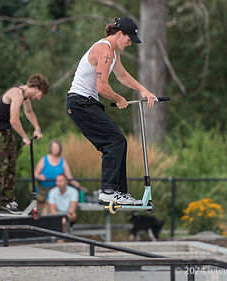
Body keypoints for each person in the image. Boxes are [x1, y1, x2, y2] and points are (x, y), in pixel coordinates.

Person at [66, 17, 159, 206]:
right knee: (115, 141)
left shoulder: (113, 52)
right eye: (129, 39)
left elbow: (122, 75)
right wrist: (118, 98)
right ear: (119, 34)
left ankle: (118, 192)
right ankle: (108, 190)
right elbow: (102, 87)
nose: (130, 43)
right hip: (80, 103)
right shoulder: (104, 50)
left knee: (118, 141)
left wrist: (143, 90)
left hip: (86, 103)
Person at [0, 73, 49, 214]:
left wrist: (37, 128)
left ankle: (7, 200)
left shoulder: (25, 95)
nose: (39, 98)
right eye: (40, 95)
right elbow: (14, 120)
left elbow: (29, 111)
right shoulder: (16, 93)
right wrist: (25, 137)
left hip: (5, 131)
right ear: (35, 88)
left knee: (11, 164)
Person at [34, 140, 87, 213]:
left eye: (57, 147)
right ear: (51, 148)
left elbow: (69, 177)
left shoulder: (63, 161)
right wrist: (40, 176)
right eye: (54, 147)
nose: (55, 149)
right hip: (43, 192)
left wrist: (79, 187)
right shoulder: (44, 159)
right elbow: (35, 173)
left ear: (60, 149)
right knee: (43, 212)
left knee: (53, 211)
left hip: (56, 191)